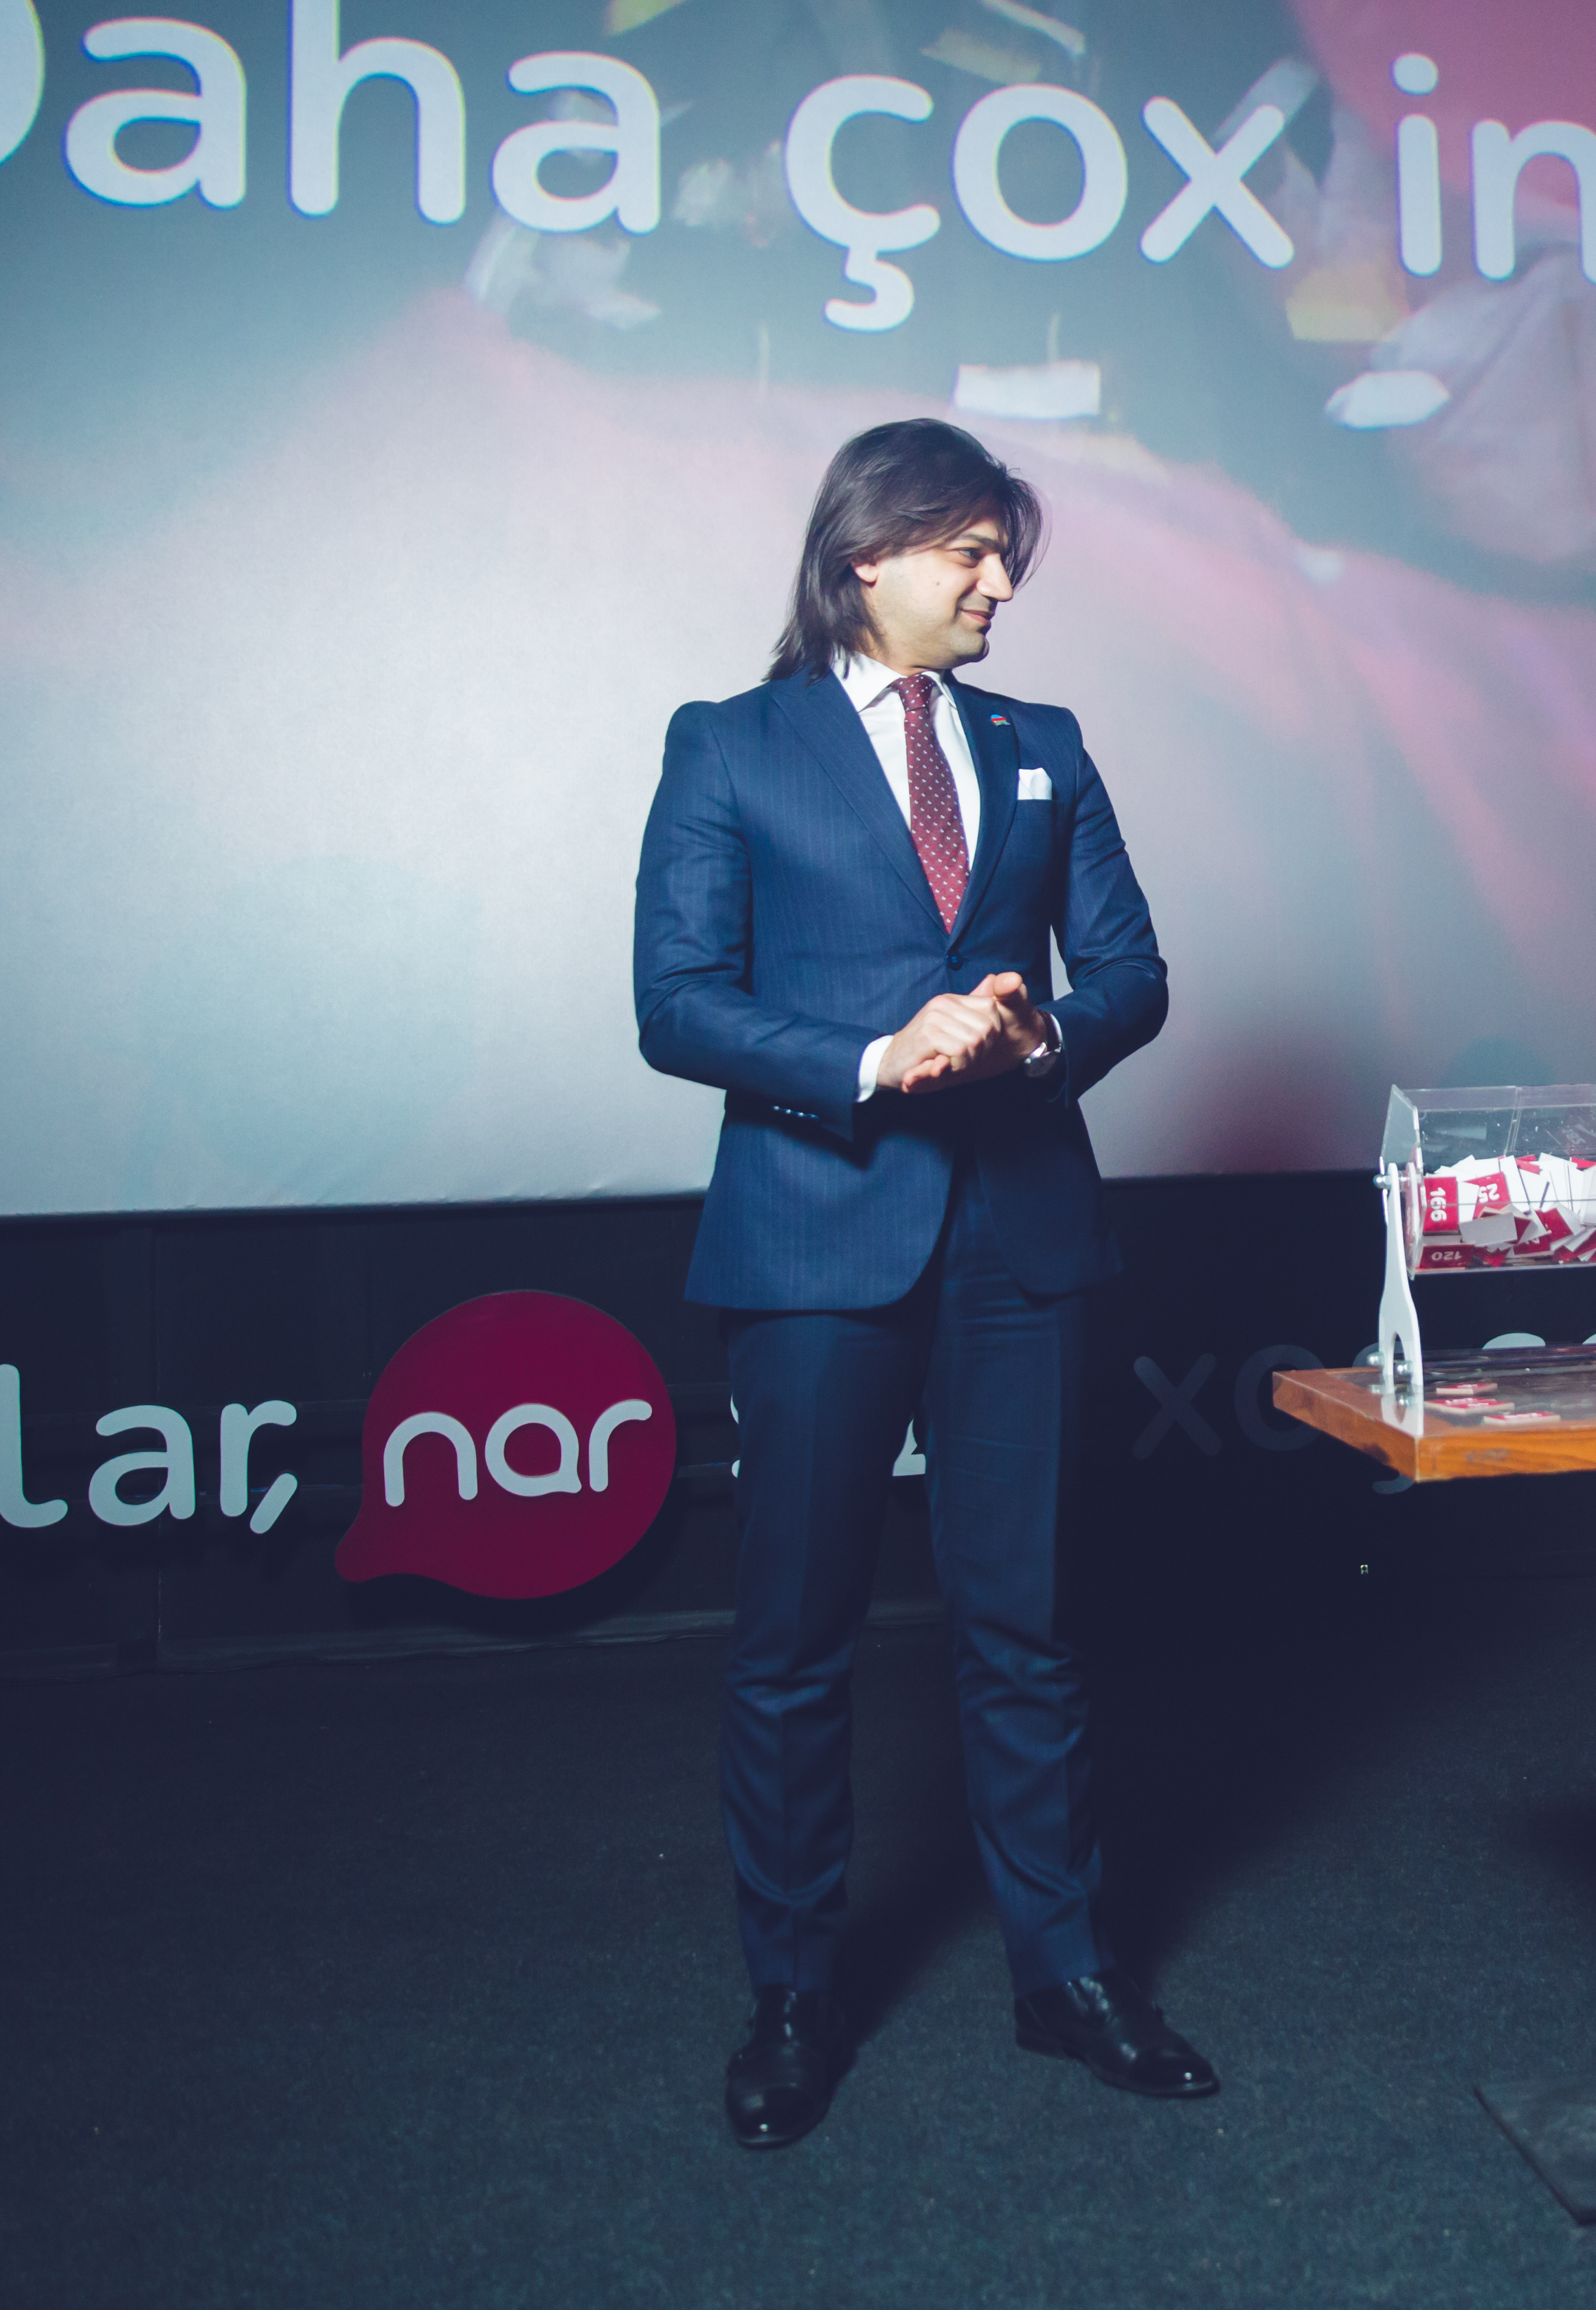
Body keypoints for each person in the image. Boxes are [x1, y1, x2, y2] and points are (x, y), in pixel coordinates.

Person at [633, 416, 1210, 2149]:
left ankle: (1067, 1972)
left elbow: (1132, 972)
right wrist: (876, 1057)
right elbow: (677, 1001)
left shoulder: (1044, 746)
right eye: (968, 550)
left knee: (1025, 1627)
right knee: (795, 1639)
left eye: (1002, 553)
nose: (998, 582)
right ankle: (793, 1996)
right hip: (818, 1235)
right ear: (863, 556)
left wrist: (1044, 1039)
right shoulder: (730, 743)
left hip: (1017, 1236)